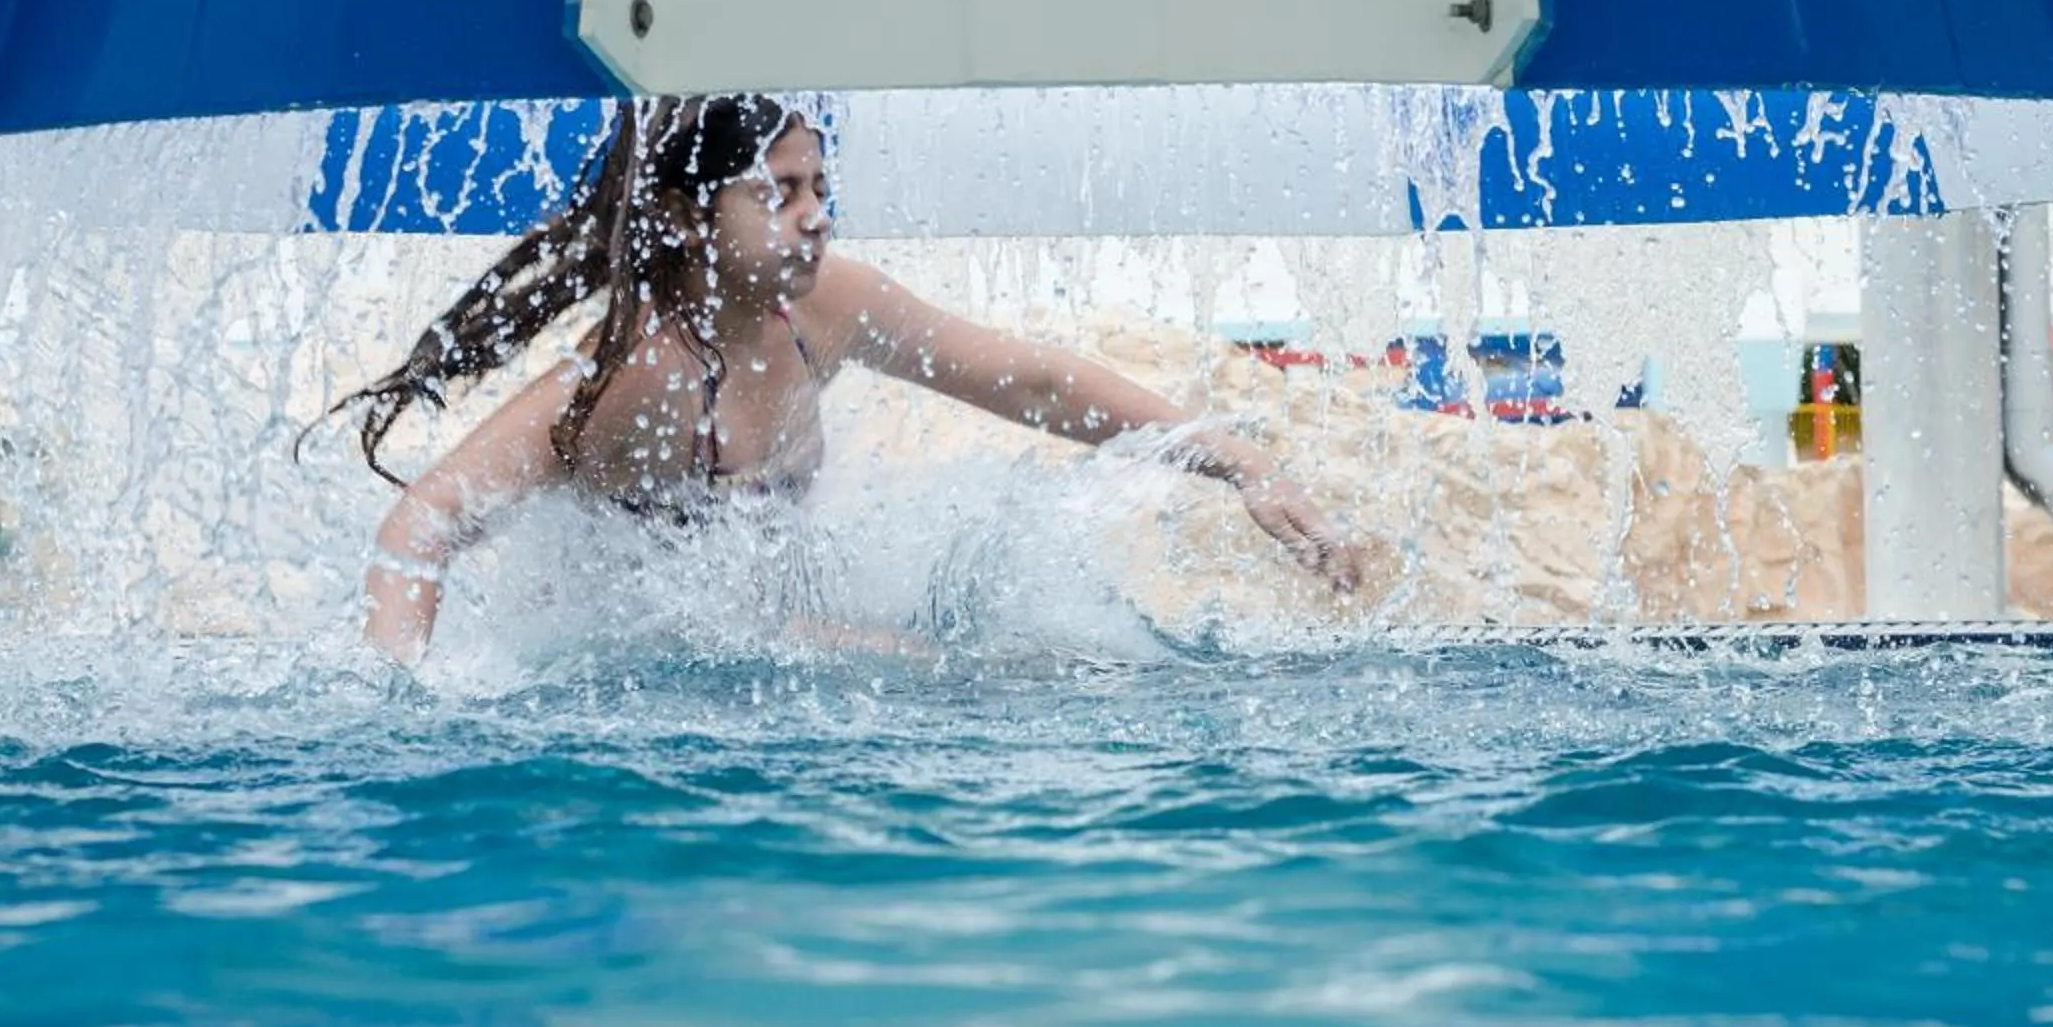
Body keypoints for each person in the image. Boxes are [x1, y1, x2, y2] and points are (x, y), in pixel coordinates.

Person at [332, 96, 1368, 663]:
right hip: (632, 669)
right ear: (692, 217)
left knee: (1046, 657)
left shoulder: (823, 306)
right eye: (779, 192)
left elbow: (1033, 385)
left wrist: (1235, 462)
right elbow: (420, 527)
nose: (817, 212)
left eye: (821, 184)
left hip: (756, 643)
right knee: (962, 676)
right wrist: (404, 699)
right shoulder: (627, 380)